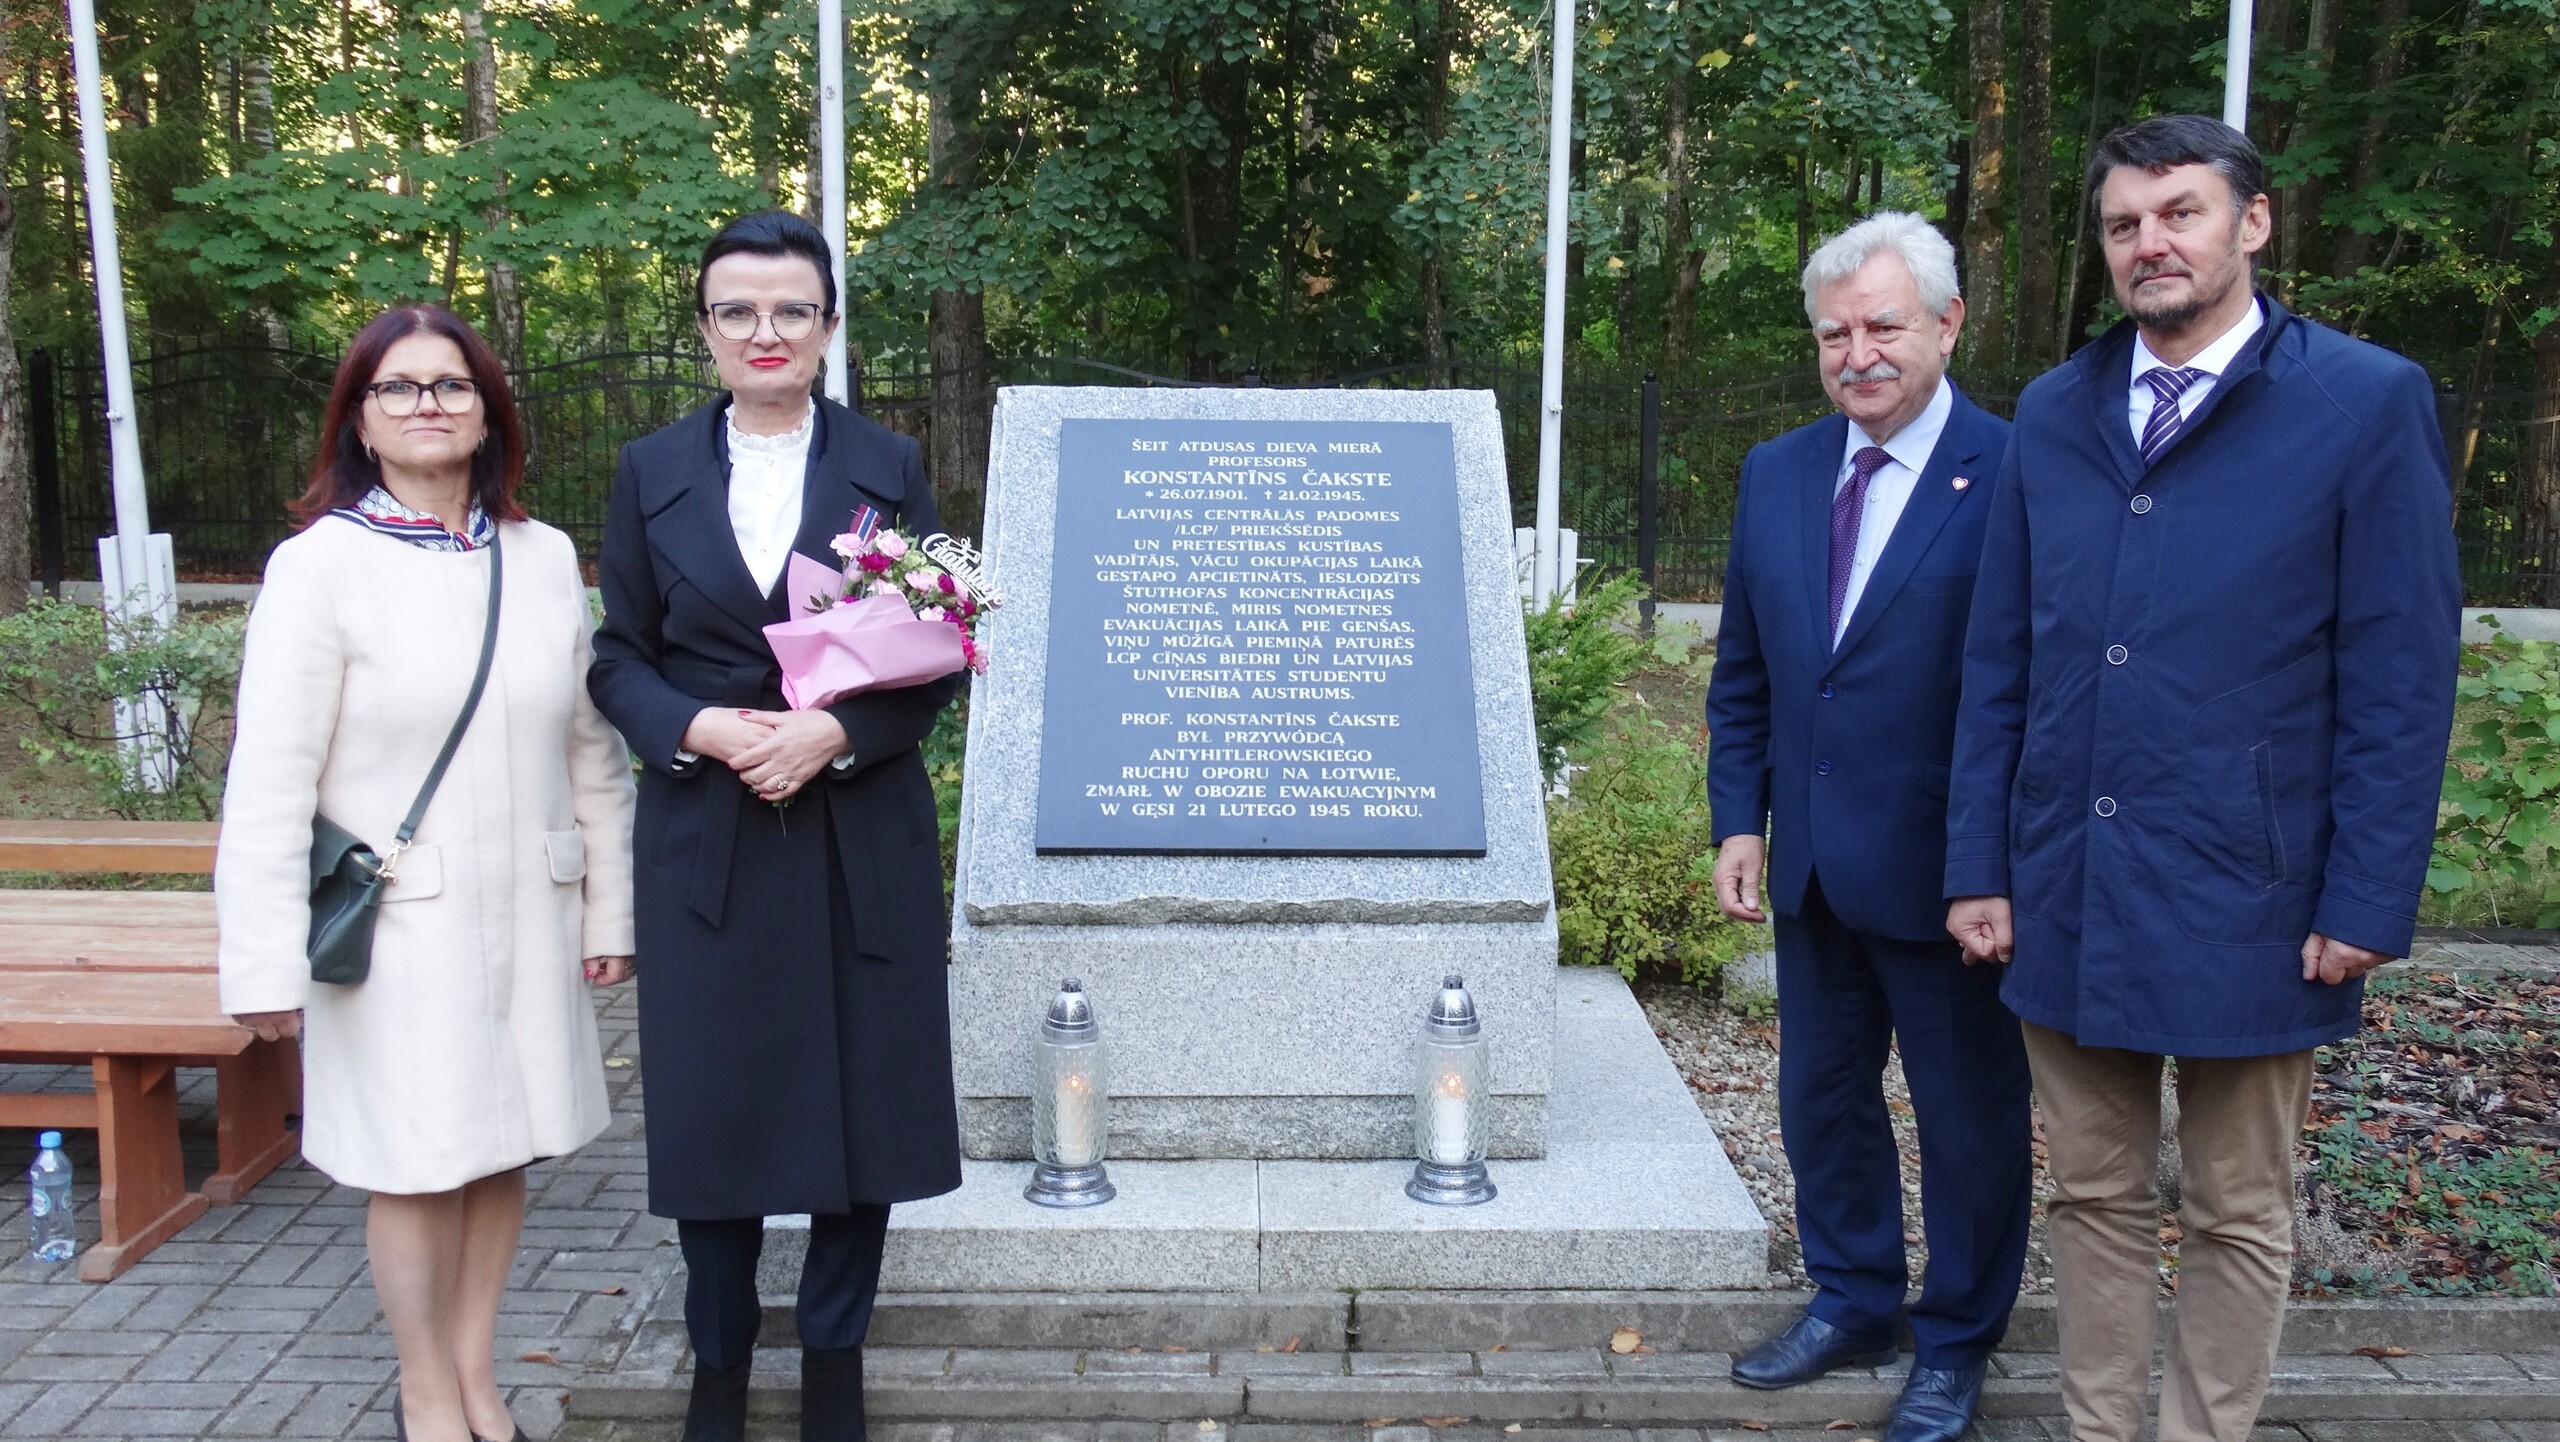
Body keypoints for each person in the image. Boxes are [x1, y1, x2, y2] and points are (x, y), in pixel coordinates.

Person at [1945, 115, 2461, 1442]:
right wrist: (1978, 864)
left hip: (2259, 889)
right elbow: (2001, 657)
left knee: (2236, 1206)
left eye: (2180, 212)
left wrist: (2367, 895)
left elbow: (2402, 675)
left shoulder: (2364, 401)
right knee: (2092, 1192)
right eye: (2124, 223)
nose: (2150, 242)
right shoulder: (2054, 411)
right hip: (2068, 875)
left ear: (2254, 222)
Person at [216, 305, 637, 1442]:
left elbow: (591, 753)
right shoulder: (319, 568)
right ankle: (423, 1391)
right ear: (360, 419)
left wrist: (610, 907)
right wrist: (261, 962)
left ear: (487, 412)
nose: (427, 405)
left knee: (501, 1150)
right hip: (400, 929)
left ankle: (475, 1374)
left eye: (451, 385)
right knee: (416, 1163)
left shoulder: (540, 558)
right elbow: (270, 782)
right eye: (397, 388)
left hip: (533, 910)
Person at [586, 210, 962, 1442]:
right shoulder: (650, 469)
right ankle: (719, 1367)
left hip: (854, 825)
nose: (765, 331)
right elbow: (618, 657)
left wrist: (834, 731)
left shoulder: (886, 460)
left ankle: (834, 1368)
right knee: (717, 1102)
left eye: (790, 309)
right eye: (737, 309)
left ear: (827, 325)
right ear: (704, 328)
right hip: (711, 828)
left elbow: (936, 651)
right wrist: (699, 726)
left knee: (867, 1097)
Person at [1704, 212, 2029, 1442]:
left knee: (1966, 1123)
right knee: (1820, 1097)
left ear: (1948, 325)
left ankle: (1954, 1343)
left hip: (1953, 876)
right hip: (1814, 866)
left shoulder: (2016, 472)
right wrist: (1740, 818)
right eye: (1834, 334)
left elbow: (2027, 690)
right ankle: (1852, 1298)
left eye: (1883, 327)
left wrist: (1989, 864)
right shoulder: (1776, 470)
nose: (1858, 355)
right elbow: (1746, 669)